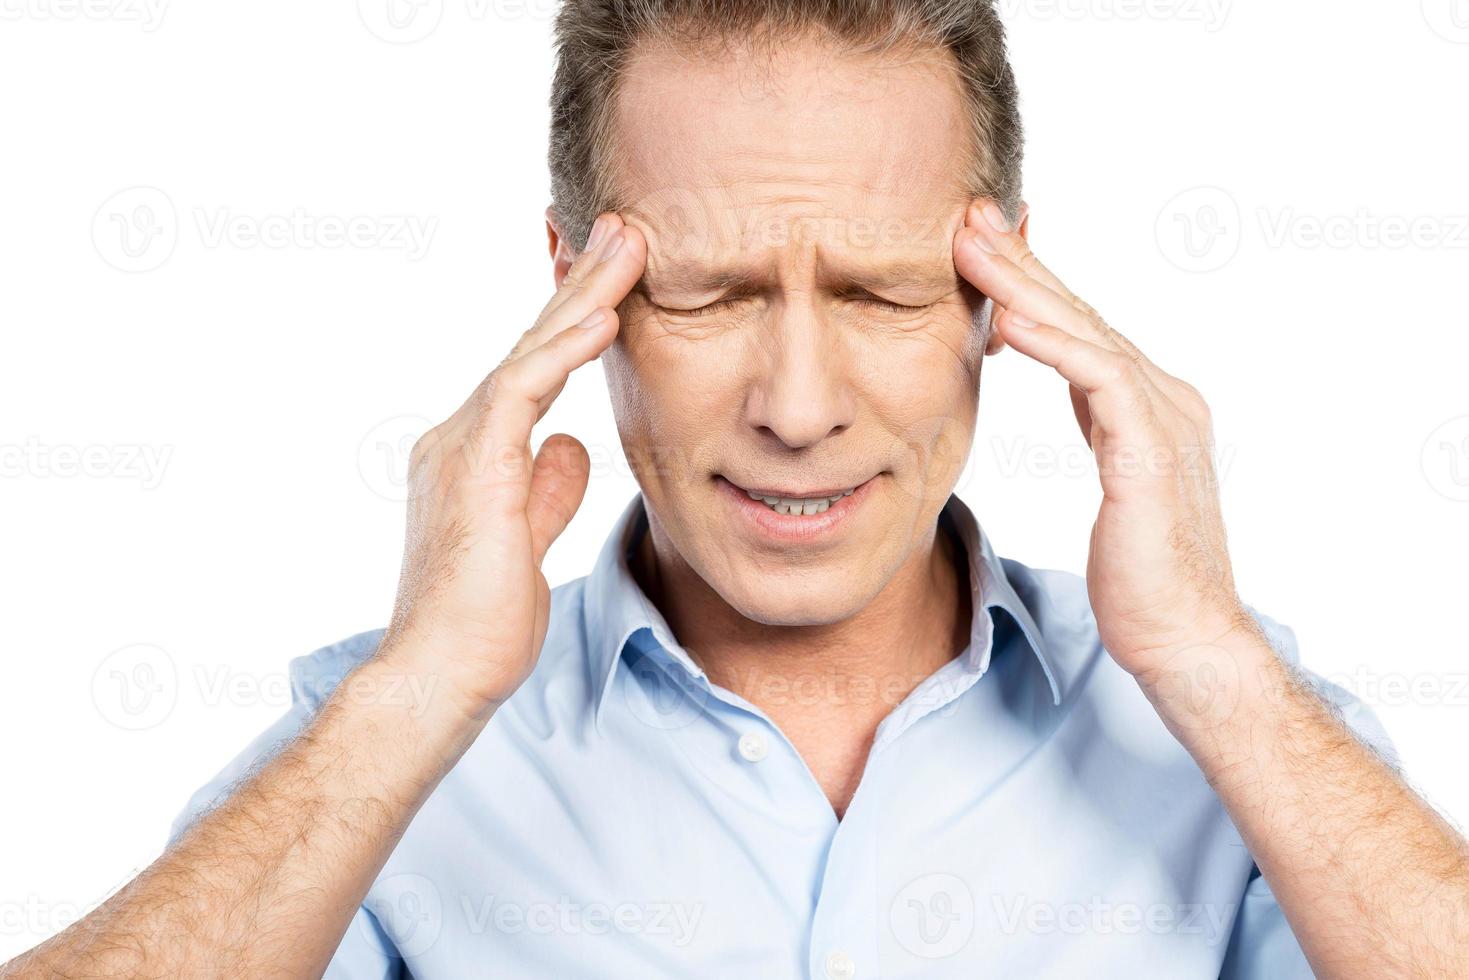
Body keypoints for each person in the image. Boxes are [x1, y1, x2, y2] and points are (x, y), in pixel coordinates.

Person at [6, 1, 1467, 977]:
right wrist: (415, 696)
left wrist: (1205, 660)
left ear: (1004, 290)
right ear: (573, 287)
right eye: (705, 295)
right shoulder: (378, 749)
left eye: (886, 292)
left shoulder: (1236, 732)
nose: (798, 407)